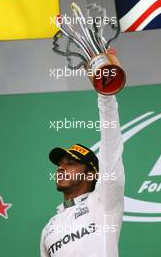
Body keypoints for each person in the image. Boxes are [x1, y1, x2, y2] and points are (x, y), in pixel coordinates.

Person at [40, 94, 125, 257]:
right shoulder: (48, 228)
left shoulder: (103, 202)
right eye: (60, 164)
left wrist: (105, 96)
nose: (61, 168)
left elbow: (111, 151)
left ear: (90, 175)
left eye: (71, 164)